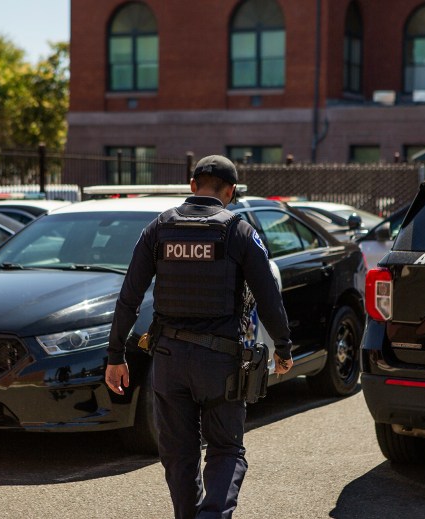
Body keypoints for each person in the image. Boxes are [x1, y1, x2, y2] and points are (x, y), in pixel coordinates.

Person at [105, 154, 293, 519]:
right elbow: (269, 296)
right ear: (231, 191)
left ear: (192, 186)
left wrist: (115, 356)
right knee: (226, 450)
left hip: (169, 360)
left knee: (179, 455)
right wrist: (283, 349)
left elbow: (129, 296)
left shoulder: (158, 229)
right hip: (220, 363)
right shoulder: (238, 230)